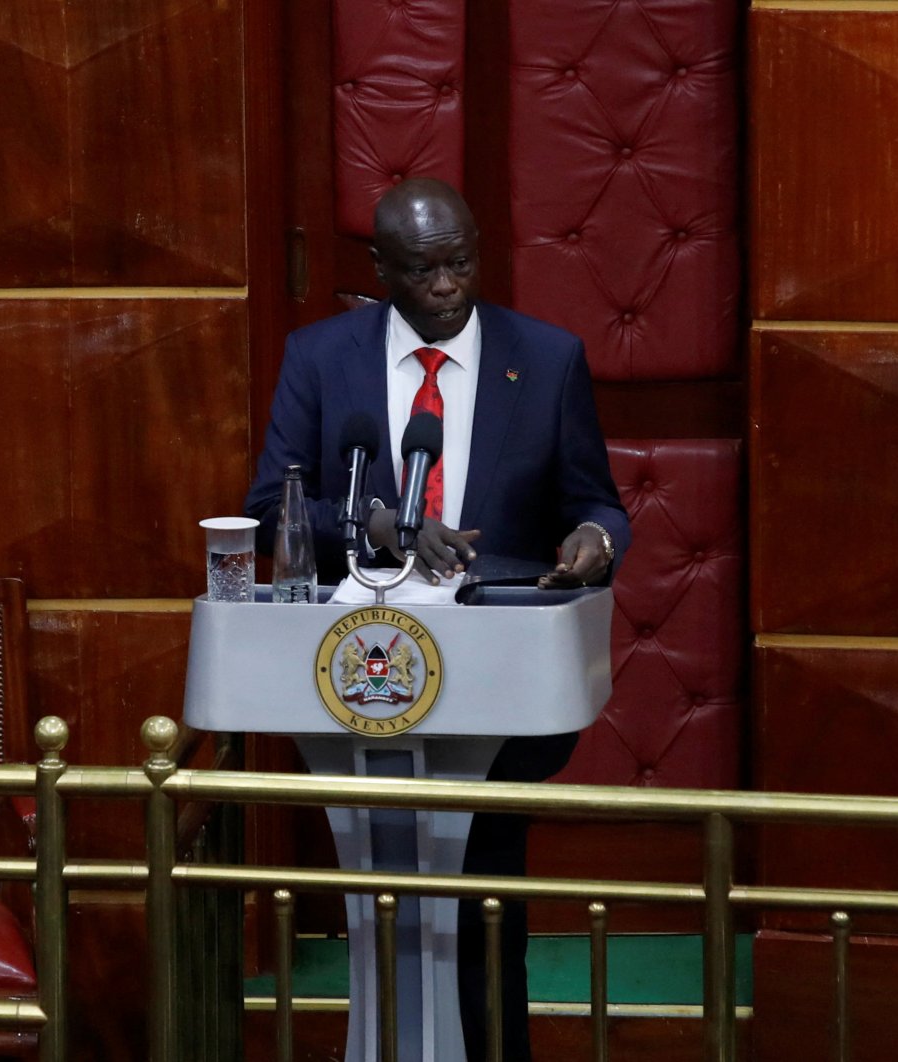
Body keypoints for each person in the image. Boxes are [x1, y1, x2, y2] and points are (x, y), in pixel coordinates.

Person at [244, 177, 630, 1062]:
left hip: (499, 681)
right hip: (363, 684)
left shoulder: (547, 356)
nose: (449, 284)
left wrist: (592, 543)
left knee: (488, 893)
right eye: (423, 269)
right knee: (384, 893)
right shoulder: (321, 358)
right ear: (380, 268)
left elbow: (598, 504)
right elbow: (272, 504)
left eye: (461, 262)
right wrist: (370, 524)